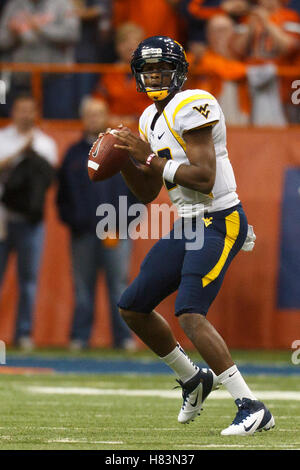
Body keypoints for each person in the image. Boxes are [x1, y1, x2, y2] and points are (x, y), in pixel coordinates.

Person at [111, 36, 274, 435]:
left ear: (179, 71)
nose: (154, 76)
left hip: (220, 218)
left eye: (161, 68)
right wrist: (123, 162)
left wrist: (148, 156)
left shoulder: (194, 103)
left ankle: (251, 406)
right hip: (187, 222)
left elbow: (204, 178)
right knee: (133, 306)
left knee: (189, 311)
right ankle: (192, 377)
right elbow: (150, 190)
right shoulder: (149, 117)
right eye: (147, 70)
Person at [56, 97, 137, 351]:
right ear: (83, 118)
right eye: (89, 114)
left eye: (98, 113)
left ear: (106, 116)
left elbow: (139, 191)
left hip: (115, 231)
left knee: (119, 288)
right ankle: (79, 338)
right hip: (83, 233)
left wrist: (122, 223)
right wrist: (76, 222)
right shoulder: (72, 154)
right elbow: (62, 196)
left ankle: (123, 339)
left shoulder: (122, 150)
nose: (93, 118)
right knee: (82, 289)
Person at [0, 94, 57, 350]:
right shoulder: (3, 138)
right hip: (2, 217)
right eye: (21, 109)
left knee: (28, 281)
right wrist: (20, 154)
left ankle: (24, 333)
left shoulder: (45, 143)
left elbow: (49, 178)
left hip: (31, 219)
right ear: (14, 111)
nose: (25, 114)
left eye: (30, 110)